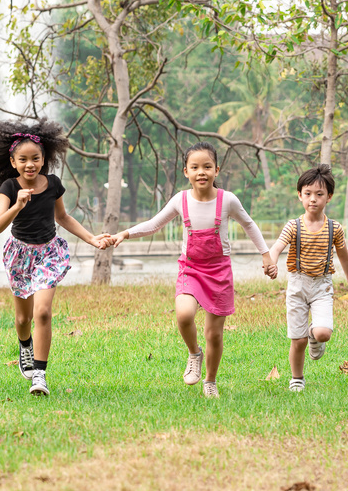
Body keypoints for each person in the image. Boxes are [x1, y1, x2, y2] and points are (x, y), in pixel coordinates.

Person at [110, 142, 275, 398]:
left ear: (216, 170)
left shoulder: (227, 200)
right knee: (184, 315)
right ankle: (193, 353)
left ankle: (210, 381)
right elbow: (154, 224)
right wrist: (125, 233)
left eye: (207, 166)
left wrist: (266, 255)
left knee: (214, 335)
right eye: (195, 167)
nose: (201, 172)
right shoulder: (181, 200)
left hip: (219, 272)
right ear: (186, 172)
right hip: (191, 268)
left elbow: (249, 225)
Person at [0, 118, 110, 397]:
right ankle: (25, 345)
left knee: (43, 312)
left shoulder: (53, 184)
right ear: (13, 162)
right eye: (23, 159)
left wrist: (92, 239)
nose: (30, 164)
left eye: (35, 158)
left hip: (49, 252)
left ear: (44, 159)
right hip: (19, 255)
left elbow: (63, 217)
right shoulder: (9, 187)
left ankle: (40, 374)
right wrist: (18, 205)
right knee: (23, 320)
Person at [265, 165, 348, 392]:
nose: (313, 199)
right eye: (307, 194)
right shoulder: (293, 226)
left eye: (319, 194)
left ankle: (314, 334)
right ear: (299, 195)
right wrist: (271, 261)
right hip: (297, 285)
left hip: (322, 286)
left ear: (329, 197)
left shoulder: (334, 228)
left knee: (323, 333)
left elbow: (344, 255)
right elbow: (277, 246)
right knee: (298, 341)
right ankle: (297, 378)